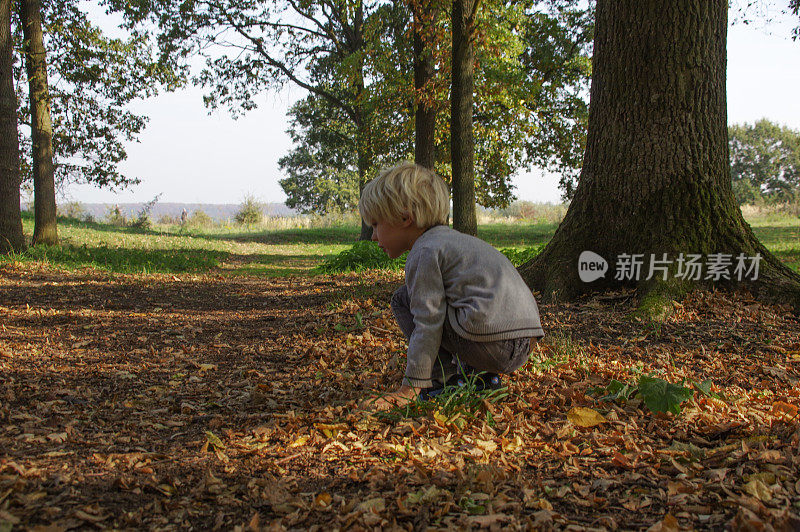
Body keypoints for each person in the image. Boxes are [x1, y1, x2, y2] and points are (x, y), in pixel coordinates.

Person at [359, 162, 545, 410]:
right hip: (526, 340)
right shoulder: (458, 241)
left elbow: (428, 322)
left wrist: (410, 387)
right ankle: (480, 377)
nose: (373, 236)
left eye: (375, 225)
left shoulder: (424, 251)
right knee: (442, 300)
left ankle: (441, 380)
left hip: (495, 344)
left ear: (405, 217)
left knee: (403, 299)